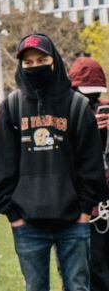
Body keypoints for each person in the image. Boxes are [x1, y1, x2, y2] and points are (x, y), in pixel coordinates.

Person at [0, 34, 108, 291]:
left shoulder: (77, 106)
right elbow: (1, 166)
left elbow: (91, 165)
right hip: (27, 223)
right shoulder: (11, 107)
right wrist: (13, 215)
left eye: (41, 59)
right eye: (28, 62)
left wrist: (85, 211)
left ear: (54, 61)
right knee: (35, 287)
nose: (35, 66)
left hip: (73, 221)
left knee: (78, 287)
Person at [70, 56, 109, 291]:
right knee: (82, 268)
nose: (92, 100)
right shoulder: (68, 113)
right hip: (79, 206)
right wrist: (87, 128)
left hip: (104, 204)